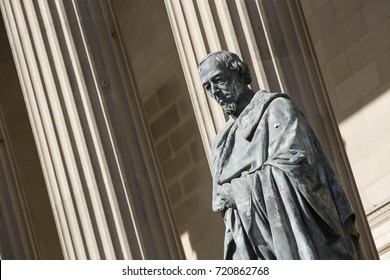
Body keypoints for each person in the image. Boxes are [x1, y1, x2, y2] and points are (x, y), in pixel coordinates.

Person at [198, 50, 362, 260]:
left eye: (218, 80)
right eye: (207, 87)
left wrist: (238, 191)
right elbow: (221, 201)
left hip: (300, 240)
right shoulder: (221, 144)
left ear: (237, 73)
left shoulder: (276, 109)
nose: (214, 91)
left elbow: (297, 167)